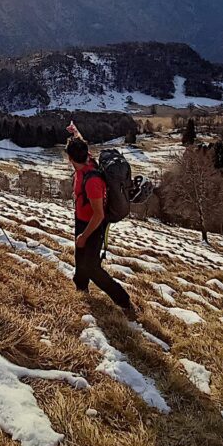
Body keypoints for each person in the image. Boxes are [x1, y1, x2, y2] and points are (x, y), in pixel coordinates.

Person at [66, 124, 136, 319]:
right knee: (80, 258)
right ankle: (81, 288)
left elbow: (98, 215)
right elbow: (83, 144)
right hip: (82, 220)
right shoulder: (87, 161)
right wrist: (75, 132)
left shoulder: (92, 182)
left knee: (92, 268)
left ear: (70, 159)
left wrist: (84, 235)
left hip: (93, 226)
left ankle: (124, 301)